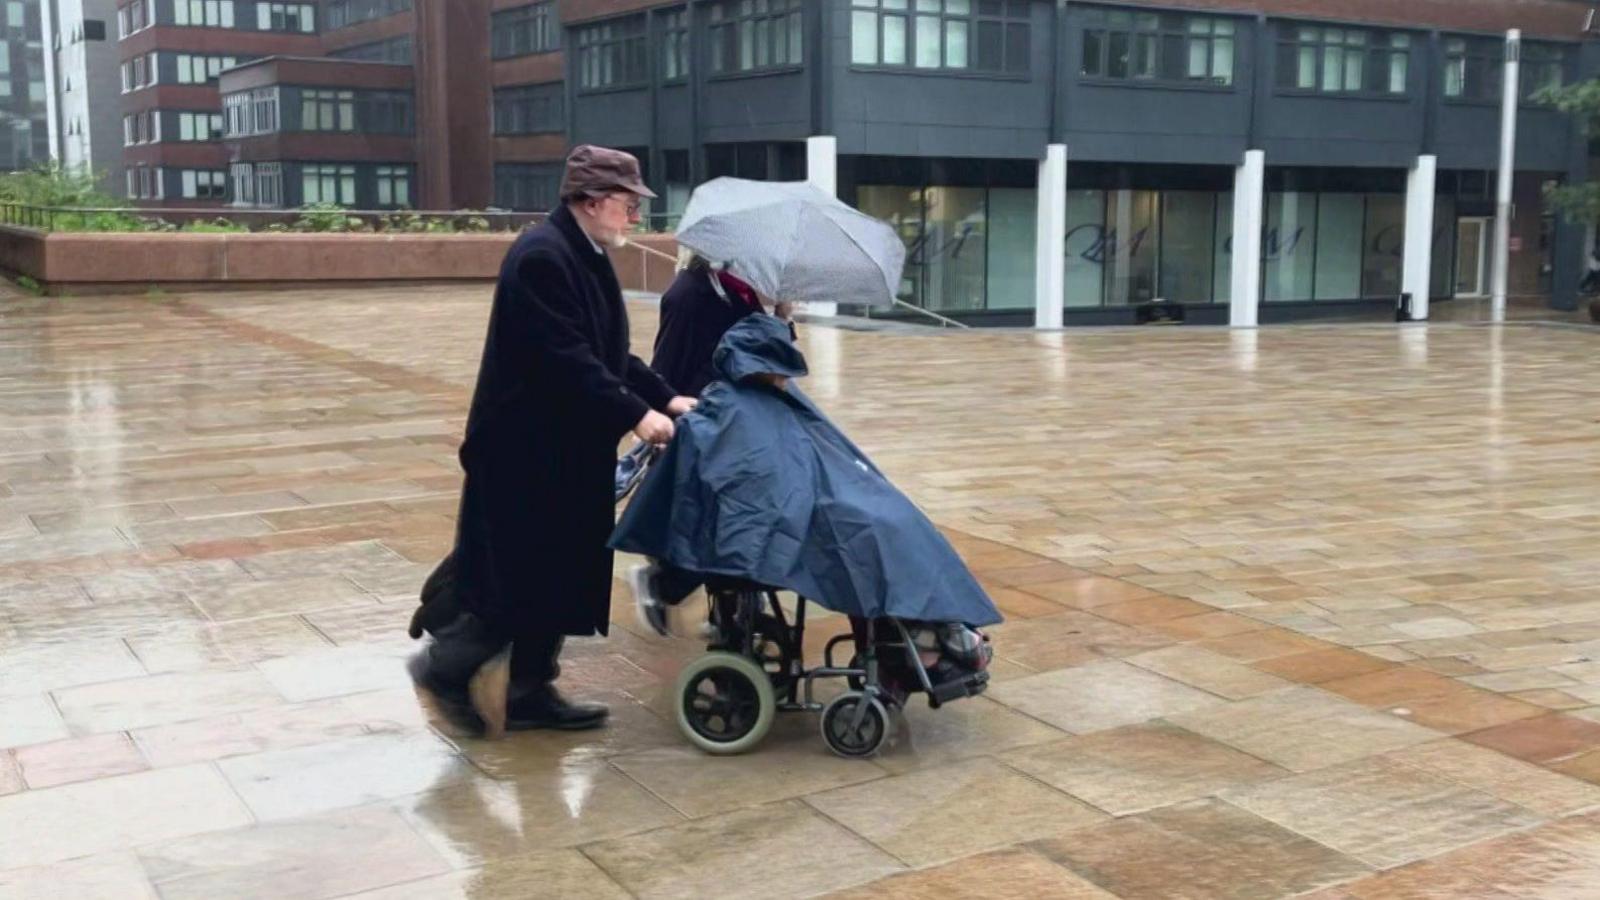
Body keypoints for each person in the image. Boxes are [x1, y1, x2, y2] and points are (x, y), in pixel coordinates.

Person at [408, 145, 697, 738]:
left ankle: (529, 689)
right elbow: (565, 359)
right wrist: (637, 414)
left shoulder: (581, 251)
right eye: (627, 204)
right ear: (593, 202)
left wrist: (665, 396)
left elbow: (608, 353)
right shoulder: (544, 256)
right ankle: (444, 669)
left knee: (560, 573)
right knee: (517, 579)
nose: (635, 217)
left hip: (562, 452)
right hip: (523, 456)